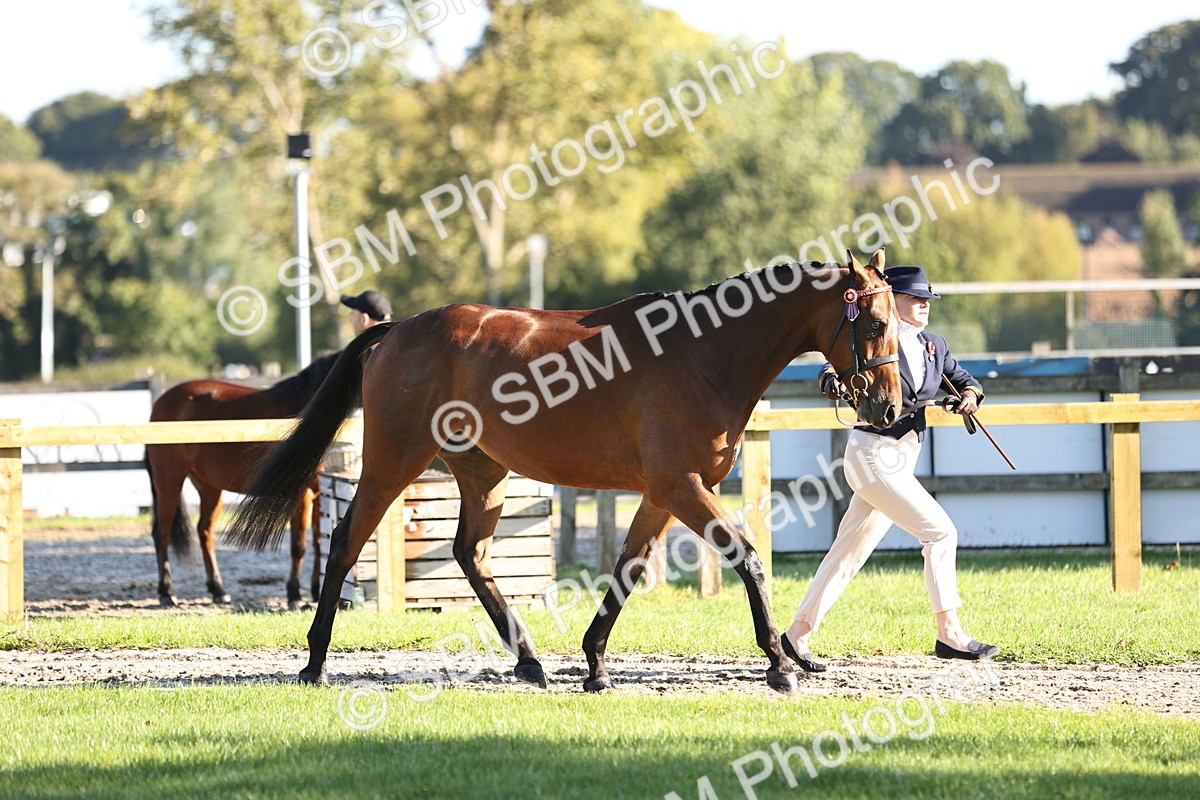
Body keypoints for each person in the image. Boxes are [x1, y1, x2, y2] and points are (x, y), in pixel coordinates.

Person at [781, 265, 999, 673]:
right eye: (915, 298)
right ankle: (949, 632)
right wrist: (832, 379)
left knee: (849, 552)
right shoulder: (873, 337)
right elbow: (835, 366)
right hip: (872, 455)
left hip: (903, 456)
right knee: (940, 532)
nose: (924, 305)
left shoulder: (934, 346)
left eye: (927, 300)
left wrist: (969, 396)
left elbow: (965, 379)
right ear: (891, 299)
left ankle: (796, 635)